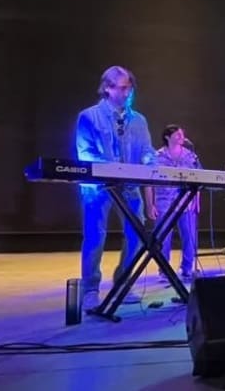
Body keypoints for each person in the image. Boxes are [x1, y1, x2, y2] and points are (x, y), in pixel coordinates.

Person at [75, 66, 155, 311]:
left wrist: (150, 163)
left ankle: (124, 282)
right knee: (95, 236)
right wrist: (114, 169)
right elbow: (85, 154)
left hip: (129, 187)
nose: (127, 92)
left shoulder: (139, 120)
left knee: (136, 234)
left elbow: (147, 150)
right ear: (107, 88)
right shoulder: (89, 117)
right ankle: (90, 289)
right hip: (98, 188)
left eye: (129, 87)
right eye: (122, 88)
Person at [146, 124, 200, 281]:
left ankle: (187, 268)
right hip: (164, 203)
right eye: (177, 134)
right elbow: (148, 182)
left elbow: (199, 179)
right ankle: (164, 270)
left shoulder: (191, 156)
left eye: (182, 134)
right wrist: (150, 205)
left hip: (186, 203)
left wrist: (196, 200)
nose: (181, 137)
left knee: (189, 237)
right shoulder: (156, 156)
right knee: (163, 238)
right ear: (167, 137)